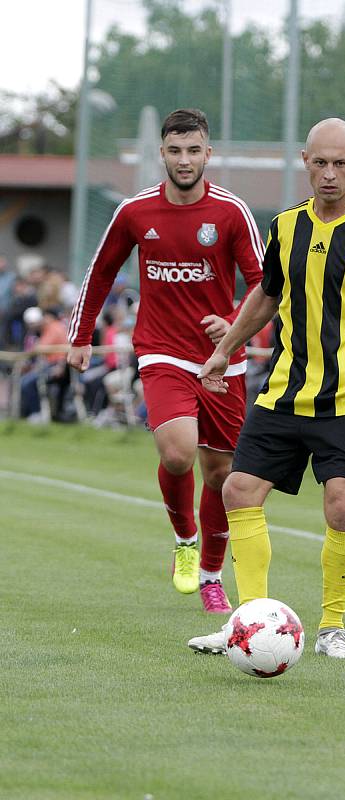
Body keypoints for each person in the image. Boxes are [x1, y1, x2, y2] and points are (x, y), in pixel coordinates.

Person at [188, 117, 345, 660]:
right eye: (321, 162)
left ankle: (332, 629)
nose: (330, 174)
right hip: (283, 394)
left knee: (342, 506)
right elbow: (267, 296)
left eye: (341, 163)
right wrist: (225, 349)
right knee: (238, 490)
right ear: (305, 162)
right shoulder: (285, 227)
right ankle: (246, 626)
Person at [68, 108, 264, 613]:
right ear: (162, 153)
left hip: (223, 359)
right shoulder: (135, 212)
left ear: (207, 154)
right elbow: (101, 270)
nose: (184, 160)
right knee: (177, 454)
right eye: (175, 151)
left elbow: (265, 284)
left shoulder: (231, 212)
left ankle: (212, 577)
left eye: (193, 150)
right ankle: (184, 540)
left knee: (220, 474)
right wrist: (81, 334)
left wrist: (235, 323)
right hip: (161, 350)